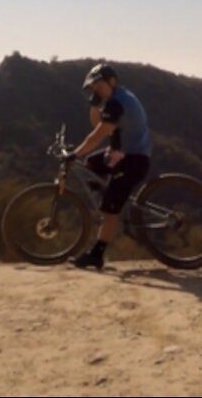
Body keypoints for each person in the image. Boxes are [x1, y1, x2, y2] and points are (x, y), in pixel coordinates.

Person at [65, 64, 153, 271]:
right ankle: (107, 199)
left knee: (111, 209)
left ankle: (97, 255)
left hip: (133, 159)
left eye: (98, 86)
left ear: (111, 82)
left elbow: (97, 135)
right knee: (90, 164)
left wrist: (75, 153)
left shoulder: (117, 104)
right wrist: (95, 104)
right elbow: (98, 124)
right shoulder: (118, 97)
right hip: (121, 153)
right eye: (93, 87)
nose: (96, 90)